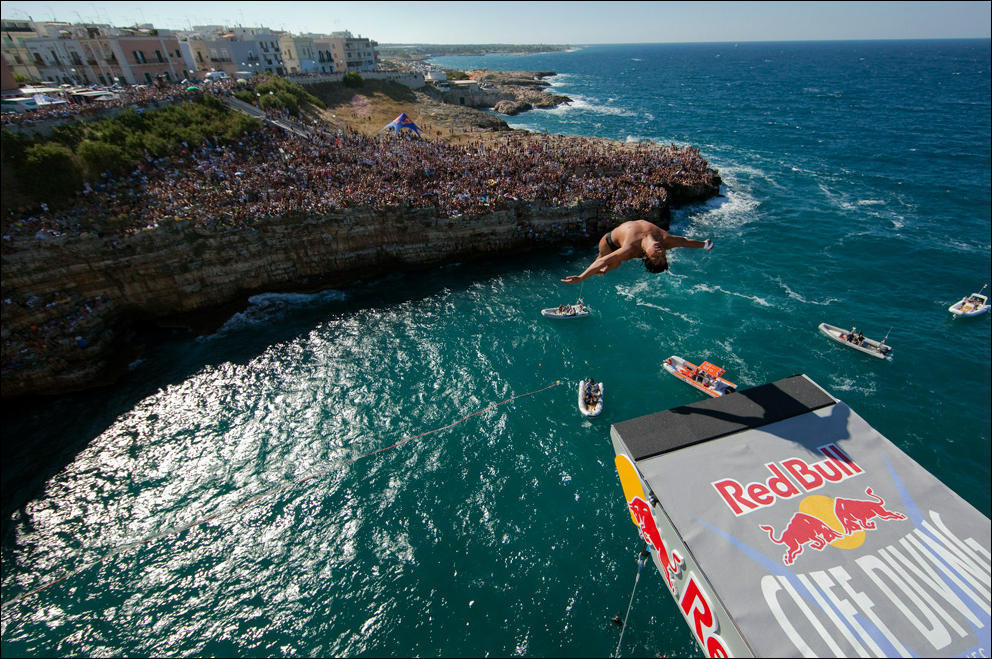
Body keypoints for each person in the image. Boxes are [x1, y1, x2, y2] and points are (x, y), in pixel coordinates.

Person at [561, 220, 712, 284]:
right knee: (614, 263)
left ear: (647, 257)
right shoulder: (666, 240)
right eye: (663, 256)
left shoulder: (631, 248)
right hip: (615, 241)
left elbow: (602, 260)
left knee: (610, 263)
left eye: (656, 257)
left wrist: (581, 277)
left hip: (609, 243)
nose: (660, 252)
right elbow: (686, 242)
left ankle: (604, 271)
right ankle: (604, 270)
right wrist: (704, 244)